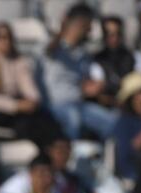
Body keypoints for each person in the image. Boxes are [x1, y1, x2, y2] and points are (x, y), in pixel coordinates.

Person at [0, 22, 61, 148]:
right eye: (1, 37)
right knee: (28, 123)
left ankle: (57, 147)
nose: (6, 41)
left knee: (43, 115)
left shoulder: (18, 61)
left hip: (13, 106)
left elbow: (28, 87)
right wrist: (16, 106)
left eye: (9, 37)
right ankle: (47, 150)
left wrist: (32, 101)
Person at [41, 3, 118, 140]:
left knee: (114, 122)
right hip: (56, 105)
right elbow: (49, 50)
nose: (90, 31)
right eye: (88, 26)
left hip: (79, 103)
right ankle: (70, 159)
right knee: (73, 120)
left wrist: (91, 88)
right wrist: (64, 28)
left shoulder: (84, 54)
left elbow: (83, 83)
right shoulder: (53, 47)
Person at [90, 16, 141, 107]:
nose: (114, 38)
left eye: (118, 33)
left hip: (134, 105)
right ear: (103, 35)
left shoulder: (135, 56)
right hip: (109, 108)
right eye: (109, 34)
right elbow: (99, 93)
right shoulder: (96, 60)